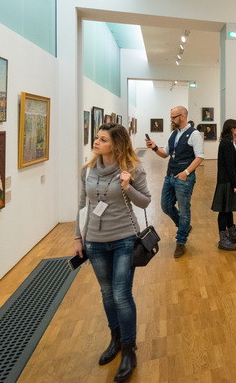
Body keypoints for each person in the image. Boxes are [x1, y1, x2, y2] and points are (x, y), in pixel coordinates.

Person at [74, 122, 152, 382]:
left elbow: (145, 201)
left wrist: (128, 186)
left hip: (124, 240)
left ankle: (129, 348)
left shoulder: (133, 169)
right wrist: (78, 237)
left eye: (103, 139)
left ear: (117, 145)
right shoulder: (88, 171)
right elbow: (82, 205)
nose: (96, 142)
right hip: (95, 242)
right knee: (107, 293)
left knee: (121, 294)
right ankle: (115, 338)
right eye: (97, 138)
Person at [145, 106, 204, 258]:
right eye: (171, 117)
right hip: (170, 176)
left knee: (184, 211)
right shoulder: (173, 134)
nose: (171, 120)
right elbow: (165, 153)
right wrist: (154, 147)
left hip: (184, 178)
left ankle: (181, 241)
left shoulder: (194, 134)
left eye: (173, 117)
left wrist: (186, 173)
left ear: (182, 116)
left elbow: (199, 157)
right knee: (165, 206)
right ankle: (184, 226)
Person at [211, 119, 236, 251]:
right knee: (223, 211)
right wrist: (235, 185)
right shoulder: (226, 144)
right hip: (227, 181)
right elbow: (230, 167)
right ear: (232, 129)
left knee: (229, 209)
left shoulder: (229, 143)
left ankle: (232, 235)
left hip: (229, 180)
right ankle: (223, 239)